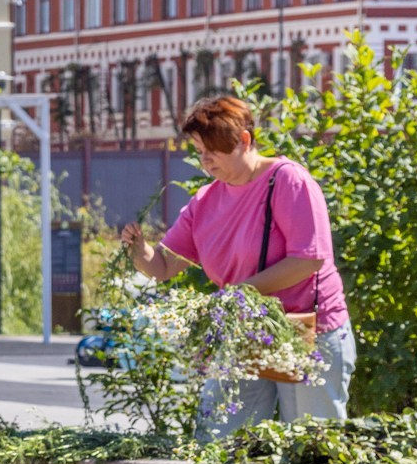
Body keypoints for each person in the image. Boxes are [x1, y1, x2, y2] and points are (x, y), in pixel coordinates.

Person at [120, 93, 354, 432]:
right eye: (199, 151)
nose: (205, 160)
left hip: (307, 330)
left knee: (311, 443)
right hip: (245, 331)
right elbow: (163, 267)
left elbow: (308, 259)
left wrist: (238, 293)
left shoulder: (288, 180)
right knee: (219, 436)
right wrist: (139, 249)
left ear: (244, 140)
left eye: (213, 151)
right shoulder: (206, 200)